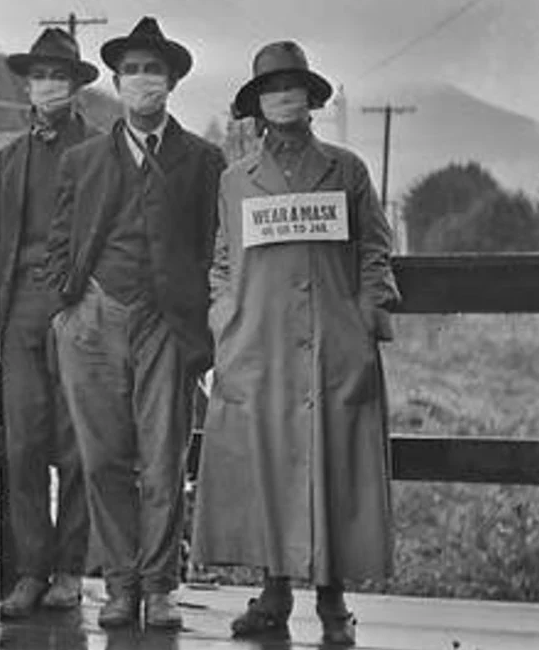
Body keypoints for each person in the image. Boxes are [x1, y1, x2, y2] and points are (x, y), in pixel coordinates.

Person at [192, 41, 400, 647]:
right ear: (257, 103)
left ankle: (334, 602)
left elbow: (374, 251)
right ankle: (274, 594)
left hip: (334, 346)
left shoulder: (348, 169)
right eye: (271, 87)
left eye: (293, 85)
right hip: (259, 346)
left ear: (310, 97)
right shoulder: (235, 181)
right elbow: (223, 260)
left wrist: (364, 320)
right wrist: (224, 320)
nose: (283, 96)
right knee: (267, 466)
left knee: (332, 465)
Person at [45, 16, 225, 630]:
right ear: (117, 82)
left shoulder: (203, 161)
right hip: (94, 316)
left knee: (165, 457)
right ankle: (120, 585)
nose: (143, 80)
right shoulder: (83, 159)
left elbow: (213, 247)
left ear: (171, 81)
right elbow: (58, 242)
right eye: (132, 71)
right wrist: (65, 312)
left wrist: (200, 325)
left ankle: (162, 585)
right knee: (102, 459)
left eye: (154, 70)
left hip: (166, 324)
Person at [0, 27, 98, 620]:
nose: (48, 85)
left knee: (77, 446)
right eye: (40, 76)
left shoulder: (101, 149)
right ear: (27, 84)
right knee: (20, 445)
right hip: (21, 308)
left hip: (78, 306)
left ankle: (71, 569)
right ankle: (30, 570)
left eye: (59, 77)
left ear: (75, 87)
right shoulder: (9, 157)